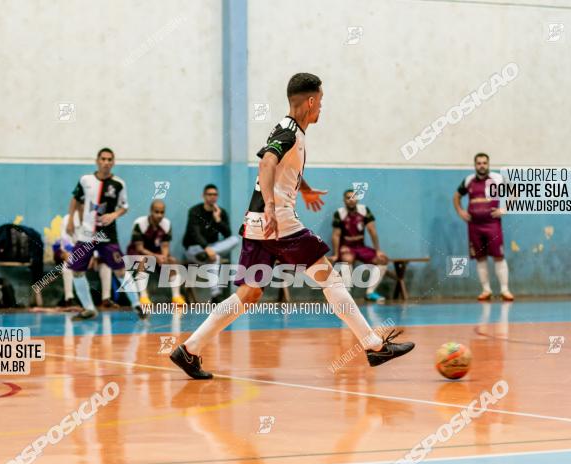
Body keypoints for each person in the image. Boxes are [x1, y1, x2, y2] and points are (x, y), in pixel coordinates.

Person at [170, 73, 413, 379]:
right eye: (321, 101)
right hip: (278, 221)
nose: (322, 108)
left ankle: (189, 350)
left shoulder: (288, 130)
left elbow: (283, 165)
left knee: (249, 294)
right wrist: (273, 206)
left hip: (257, 223)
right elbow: (267, 163)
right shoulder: (289, 133)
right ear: (310, 101)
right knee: (331, 279)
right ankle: (374, 345)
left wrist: (304, 187)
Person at [65, 148, 145, 320]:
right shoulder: (85, 180)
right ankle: (89, 308)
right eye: (103, 159)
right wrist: (71, 219)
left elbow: (124, 207)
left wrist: (114, 215)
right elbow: (75, 199)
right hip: (86, 234)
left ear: (113, 162)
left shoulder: (119, 184)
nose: (106, 162)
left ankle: (137, 304)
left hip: (107, 235)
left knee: (120, 271)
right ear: (97, 161)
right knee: (76, 271)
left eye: (110, 159)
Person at [452, 153, 514, 301]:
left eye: (484, 163)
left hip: (492, 224)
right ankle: (486, 290)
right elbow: (456, 196)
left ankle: (505, 290)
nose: (482, 165)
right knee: (480, 258)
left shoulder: (497, 178)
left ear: (488, 164)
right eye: (479, 163)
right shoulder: (468, 180)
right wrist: (460, 211)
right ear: (475, 165)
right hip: (474, 226)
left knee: (499, 257)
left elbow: (515, 191)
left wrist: (504, 210)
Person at [183, 184, 240, 303]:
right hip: (194, 249)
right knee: (214, 257)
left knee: (235, 239)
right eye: (209, 194)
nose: (212, 197)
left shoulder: (220, 212)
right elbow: (194, 233)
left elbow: (227, 234)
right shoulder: (195, 211)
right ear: (204, 196)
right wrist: (206, 248)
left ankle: (215, 295)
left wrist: (218, 220)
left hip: (211, 248)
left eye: (215, 194)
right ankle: (215, 294)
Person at [332, 189, 388, 302]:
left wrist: (378, 250)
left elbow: (372, 230)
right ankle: (347, 294)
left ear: (357, 199)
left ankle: (370, 293)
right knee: (346, 259)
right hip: (346, 246)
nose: (351, 200)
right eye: (348, 198)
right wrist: (336, 254)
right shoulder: (339, 213)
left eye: (353, 197)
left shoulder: (364, 210)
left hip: (361, 247)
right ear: (344, 200)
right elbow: (336, 235)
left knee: (382, 260)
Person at [127, 200, 185, 306]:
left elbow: (165, 246)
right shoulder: (139, 223)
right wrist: (155, 257)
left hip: (156, 254)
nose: (159, 215)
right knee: (143, 261)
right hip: (136, 254)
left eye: (162, 212)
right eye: (156, 212)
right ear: (151, 211)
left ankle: (176, 297)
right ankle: (144, 297)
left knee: (172, 261)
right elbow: (139, 248)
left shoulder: (166, 224)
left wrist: (164, 257)